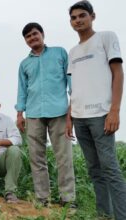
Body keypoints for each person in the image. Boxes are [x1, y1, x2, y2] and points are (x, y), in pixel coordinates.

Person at [66, 1, 126, 219]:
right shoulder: (73, 52)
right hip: (80, 118)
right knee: (94, 169)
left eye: (82, 15)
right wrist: (69, 117)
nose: (78, 20)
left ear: (93, 16)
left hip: (101, 114)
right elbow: (76, 87)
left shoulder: (106, 38)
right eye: (73, 17)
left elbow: (118, 74)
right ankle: (104, 214)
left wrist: (115, 110)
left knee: (110, 168)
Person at [15, 22, 76, 207]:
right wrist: (20, 114)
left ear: (42, 34)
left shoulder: (60, 53)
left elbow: (71, 82)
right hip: (33, 114)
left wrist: (71, 113)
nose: (32, 38)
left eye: (35, 34)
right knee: (36, 157)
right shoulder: (24, 64)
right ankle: (42, 198)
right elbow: (22, 90)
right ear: (26, 41)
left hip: (59, 112)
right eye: (28, 37)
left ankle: (68, 198)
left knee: (64, 157)